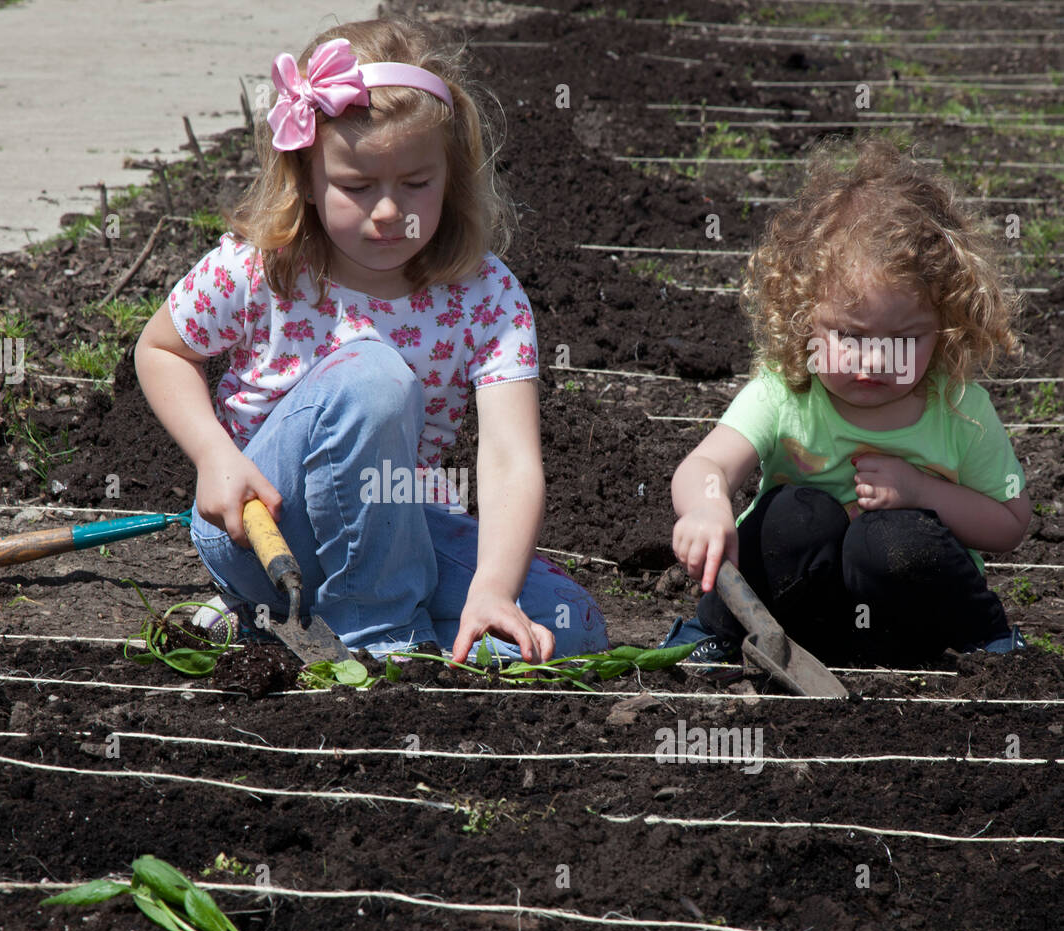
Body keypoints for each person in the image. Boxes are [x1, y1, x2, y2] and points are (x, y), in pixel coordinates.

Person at [134, 17, 607, 662]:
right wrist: (215, 458)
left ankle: (294, 625)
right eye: (356, 186)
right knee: (374, 377)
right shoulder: (261, 267)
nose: (389, 210)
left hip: (396, 527)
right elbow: (161, 350)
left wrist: (493, 589)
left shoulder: (485, 294)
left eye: (416, 183)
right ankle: (382, 643)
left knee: (568, 626)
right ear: (305, 178)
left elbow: (509, 458)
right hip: (262, 533)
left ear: (452, 175)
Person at [660, 136, 1032, 671]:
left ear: (946, 326)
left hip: (908, 624)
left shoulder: (959, 410)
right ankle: (716, 630)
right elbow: (707, 464)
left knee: (891, 538)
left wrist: (920, 491)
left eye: (903, 340)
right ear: (802, 313)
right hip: (797, 616)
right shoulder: (787, 391)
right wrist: (708, 504)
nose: (875, 361)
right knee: (794, 516)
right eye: (850, 336)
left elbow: (1011, 522)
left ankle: (988, 642)